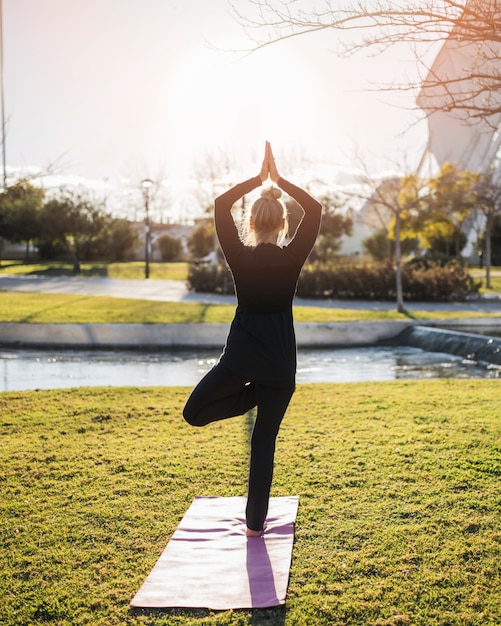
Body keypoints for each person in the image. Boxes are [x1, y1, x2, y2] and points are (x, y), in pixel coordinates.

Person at [183, 141, 322, 537]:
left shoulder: (239, 257)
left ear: (251, 224)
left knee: (194, 413)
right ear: (282, 226)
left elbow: (220, 203)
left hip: (241, 362)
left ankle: (251, 399)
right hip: (279, 370)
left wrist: (257, 180)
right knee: (263, 444)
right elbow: (314, 210)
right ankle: (255, 527)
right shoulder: (292, 258)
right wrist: (279, 180)